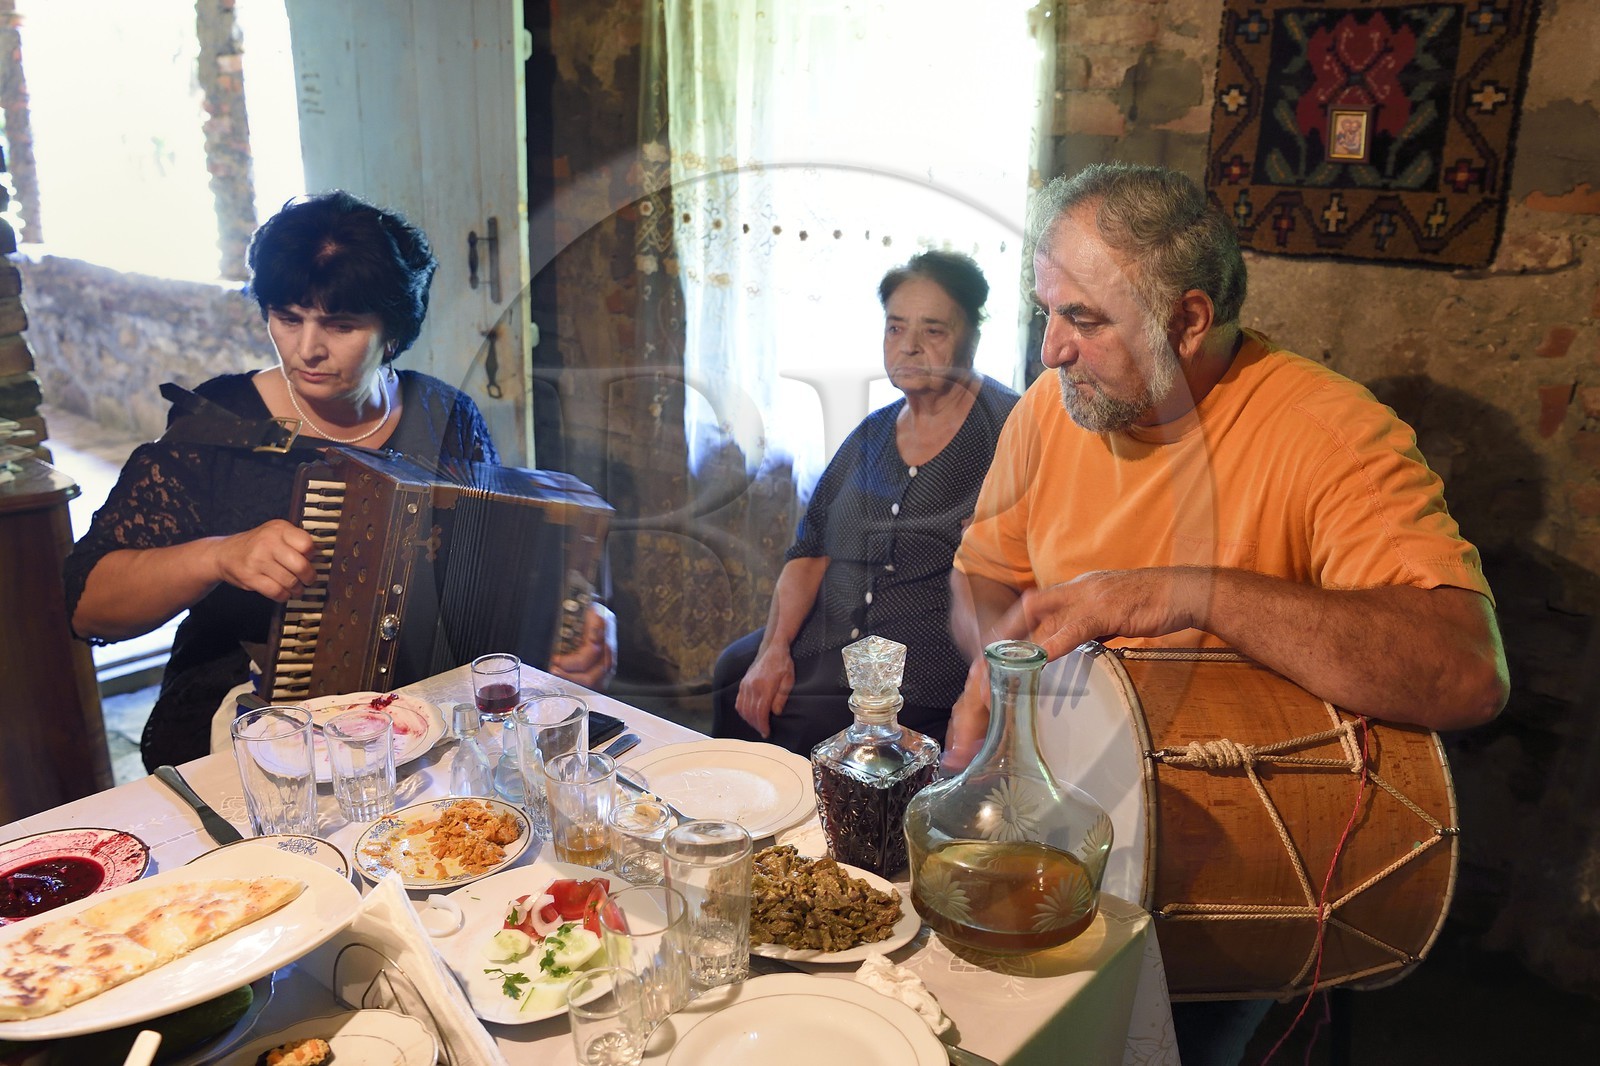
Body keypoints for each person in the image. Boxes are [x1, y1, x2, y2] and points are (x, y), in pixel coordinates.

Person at [946, 163, 1509, 1065]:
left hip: (1223, 874)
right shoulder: (1054, 413)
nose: (1049, 351)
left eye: (1084, 319)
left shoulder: (1330, 434)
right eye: (1045, 310)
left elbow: (1467, 673)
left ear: (1189, 319)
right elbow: (983, 576)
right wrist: (997, 665)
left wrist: (1184, 590)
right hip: (1050, 819)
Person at [65, 191, 613, 771]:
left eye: (341, 324)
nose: (308, 349)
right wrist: (218, 557)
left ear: (393, 332)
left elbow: (509, 565)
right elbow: (87, 607)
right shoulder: (218, 427)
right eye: (287, 318)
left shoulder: (445, 416)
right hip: (252, 730)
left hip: (422, 724)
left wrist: (581, 621)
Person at [712, 251, 1019, 756]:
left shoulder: (1008, 429)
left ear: (973, 337)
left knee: (811, 724)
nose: (910, 347)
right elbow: (810, 551)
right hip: (832, 639)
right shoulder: (872, 433)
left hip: (921, 668)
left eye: (934, 331)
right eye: (895, 329)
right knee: (734, 671)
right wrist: (774, 649)